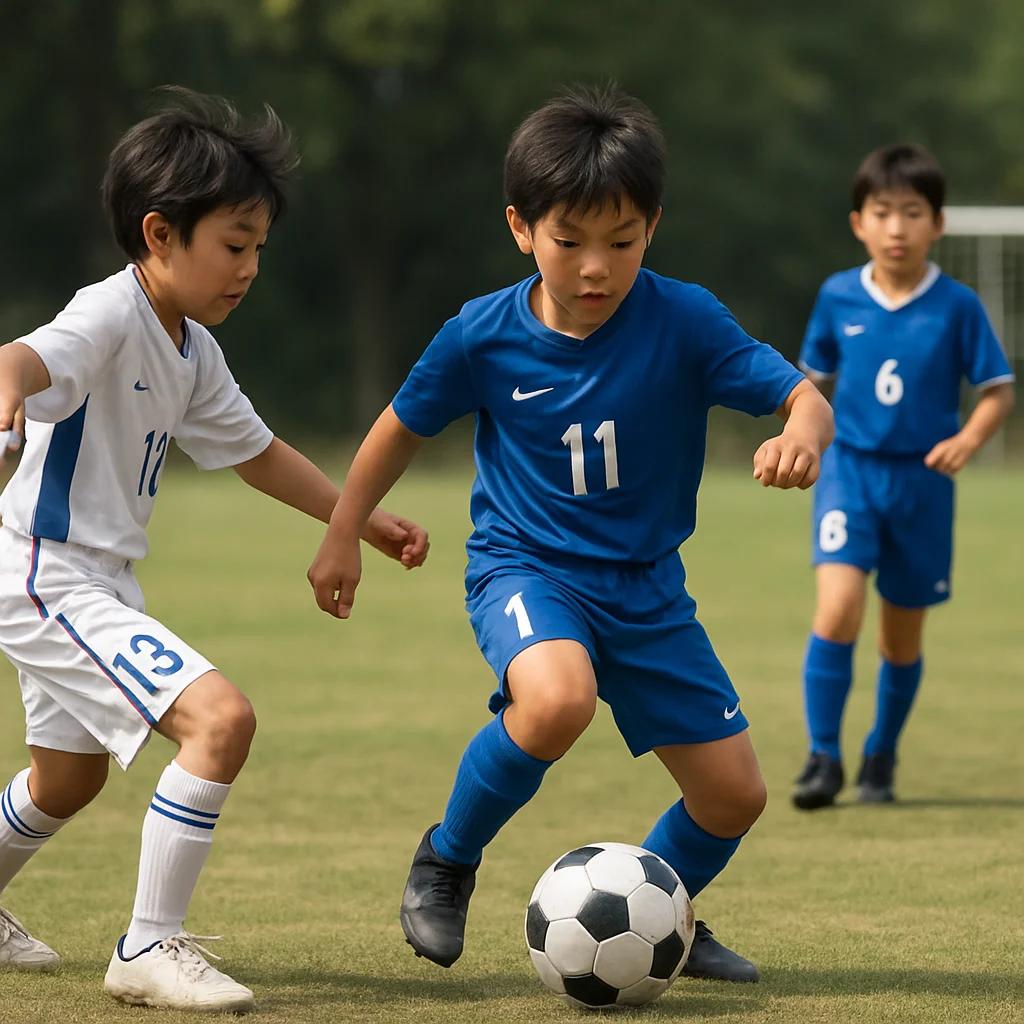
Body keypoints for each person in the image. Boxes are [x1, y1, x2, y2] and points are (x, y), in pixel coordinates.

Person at [308, 85, 833, 983]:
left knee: (734, 795)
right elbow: (398, 428)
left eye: (622, 243)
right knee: (557, 701)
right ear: (522, 228)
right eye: (570, 242)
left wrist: (799, 436)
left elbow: (804, 396)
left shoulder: (686, 318)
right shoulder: (481, 335)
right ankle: (446, 859)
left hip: (647, 590)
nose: (597, 267)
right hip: (527, 567)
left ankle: (663, 910)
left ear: (652, 229)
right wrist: (342, 532)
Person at [0, 88, 428, 1011]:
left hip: (96, 579)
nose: (249, 268)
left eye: (258, 249)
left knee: (65, 781)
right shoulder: (110, 315)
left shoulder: (189, 346)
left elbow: (256, 453)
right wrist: (3, 383)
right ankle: (147, 947)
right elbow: (28, 358)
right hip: (46, 575)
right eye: (234, 245)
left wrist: (354, 519)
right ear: (160, 234)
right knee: (219, 720)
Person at [792, 143, 1015, 810]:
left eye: (912, 213)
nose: (897, 228)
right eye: (882, 212)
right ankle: (822, 758)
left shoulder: (957, 306)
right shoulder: (837, 296)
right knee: (837, 611)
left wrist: (969, 438)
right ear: (859, 222)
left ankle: (881, 754)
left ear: (937, 224)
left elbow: (999, 390)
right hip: (850, 474)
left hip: (922, 486)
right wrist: (799, 432)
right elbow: (810, 382)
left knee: (901, 636)